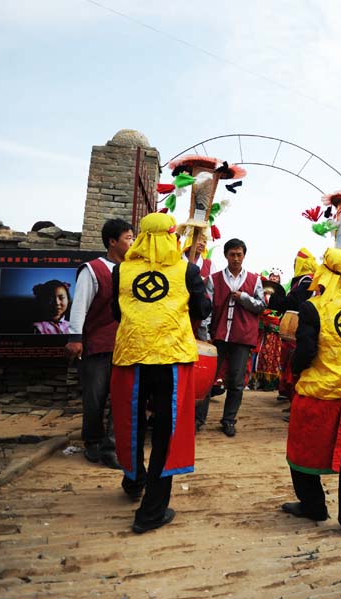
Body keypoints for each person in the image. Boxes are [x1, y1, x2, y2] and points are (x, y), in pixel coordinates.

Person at [109, 212, 211, 533]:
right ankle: (151, 511)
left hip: (132, 357)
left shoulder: (121, 270)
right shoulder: (187, 270)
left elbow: (116, 311)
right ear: (172, 237)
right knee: (166, 433)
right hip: (171, 361)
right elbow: (202, 310)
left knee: (132, 423)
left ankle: (133, 479)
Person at [282, 248, 341, 539]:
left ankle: (314, 506)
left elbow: (306, 350)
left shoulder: (312, 307)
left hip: (319, 391)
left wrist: (293, 371)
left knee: (300, 448)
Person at [65, 218, 134, 468]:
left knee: (121, 397)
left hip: (126, 345)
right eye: (128, 238)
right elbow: (79, 305)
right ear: (112, 241)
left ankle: (112, 446)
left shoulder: (133, 270)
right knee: (95, 397)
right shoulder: (93, 270)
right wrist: (75, 338)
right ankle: (92, 441)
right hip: (97, 344)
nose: (132, 243)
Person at [208, 238, 266, 437]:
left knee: (237, 382)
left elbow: (261, 305)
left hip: (242, 337)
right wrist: (206, 334)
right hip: (218, 336)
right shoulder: (214, 278)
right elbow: (208, 308)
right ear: (226, 255)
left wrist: (244, 298)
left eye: (239, 254)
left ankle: (229, 420)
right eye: (232, 254)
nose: (235, 258)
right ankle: (198, 419)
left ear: (244, 255)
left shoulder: (254, 279)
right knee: (208, 380)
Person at [270, 249, 318, 403]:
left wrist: (274, 301)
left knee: (294, 362)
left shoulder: (307, 281)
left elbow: (294, 303)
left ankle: (295, 400)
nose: (294, 265)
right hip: (297, 328)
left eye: (296, 262)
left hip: (299, 328)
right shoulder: (303, 280)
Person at [252, 270, 284, 391]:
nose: (275, 279)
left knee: (273, 355)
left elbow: (281, 311)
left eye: (277, 277)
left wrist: (272, 318)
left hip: (274, 330)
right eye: (273, 277)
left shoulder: (281, 295)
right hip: (260, 329)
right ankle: (257, 380)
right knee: (259, 354)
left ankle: (270, 382)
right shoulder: (260, 292)